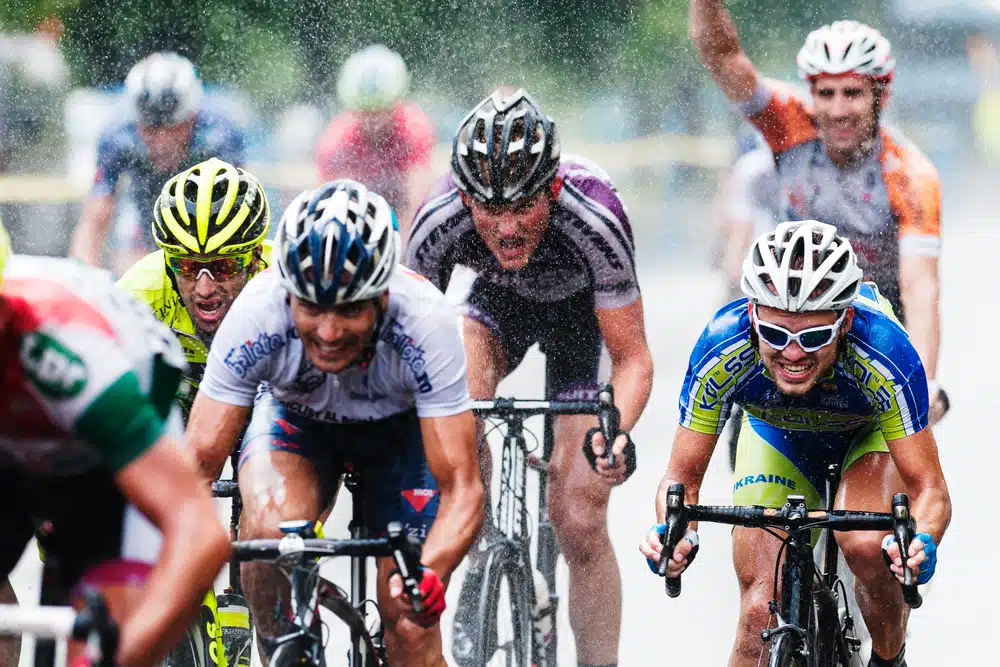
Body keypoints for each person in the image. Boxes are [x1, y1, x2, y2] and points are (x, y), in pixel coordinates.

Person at [183, 179, 483, 667]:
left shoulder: (425, 320)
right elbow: (196, 465)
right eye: (311, 306)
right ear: (287, 294)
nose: (327, 331)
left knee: (407, 620)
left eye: (348, 308)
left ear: (383, 297)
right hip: (300, 423)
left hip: (400, 434)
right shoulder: (258, 312)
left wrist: (429, 572)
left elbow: (463, 488)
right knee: (263, 542)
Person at [407, 88, 654, 667]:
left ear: (554, 188)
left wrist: (611, 433)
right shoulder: (438, 218)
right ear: (464, 197)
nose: (508, 227)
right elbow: (407, 343)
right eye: (488, 209)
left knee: (578, 516)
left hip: (579, 323)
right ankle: (481, 537)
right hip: (494, 308)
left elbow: (633, 358)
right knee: (459, 398)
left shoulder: (595, 215)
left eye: (523, 206)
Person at [639, 220, 951, 667]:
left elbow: (931, 491)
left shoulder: (884, 349)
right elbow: (680, 482)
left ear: (844, 321)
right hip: (777, 439)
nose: (792, 354)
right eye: (777, 334)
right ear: (752, 315)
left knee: (865, 544)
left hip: (864, 438)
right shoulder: (721, 346)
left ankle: (888, 657)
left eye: (814, 337)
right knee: (755, 620)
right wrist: (673, 536)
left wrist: (919, 542)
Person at [688, 1, 947, 425]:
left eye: (854, 93)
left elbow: (919, 288)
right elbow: (723, 57)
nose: (838, 110)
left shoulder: (910, 174)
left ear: (881, 95)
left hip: (872, 320)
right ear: (811, 94)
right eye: (826, 93)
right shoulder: (788, 123)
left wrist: (927, 382)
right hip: (793, 311)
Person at [0, 215, 230, 667]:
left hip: (111, 434)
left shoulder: (71, 362)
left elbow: (203, 535)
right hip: (21, 434)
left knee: (101, 639)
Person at [116, 157, 272, 667]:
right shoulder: (138, 296)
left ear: (253, 260)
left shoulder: (283, 287)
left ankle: (251, 602)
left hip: (260, 392)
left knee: (267, 501)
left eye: (223, 267)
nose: (204, 288)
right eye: (187, 267)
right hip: (178, 394)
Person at [69, 52, 246, 276]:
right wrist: (81, 280)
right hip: (144, 213)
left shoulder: (219, 134)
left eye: (172, 127)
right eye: (150, 129)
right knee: (134, 274)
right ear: (136, 120)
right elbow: (95, 218)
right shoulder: (118, 136)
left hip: (205, 215)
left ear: (192, 118)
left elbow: (242, 216)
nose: (161, 141)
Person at [314, 44, 436, 241]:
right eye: (365, 112)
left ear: (396, 102)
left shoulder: (413, 128)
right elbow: (327, 209)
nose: (373, 122)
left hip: (401, 218)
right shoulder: (337, 140)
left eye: (380, 110)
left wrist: (403, 250)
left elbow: (418, 204)